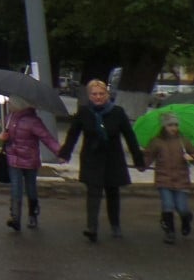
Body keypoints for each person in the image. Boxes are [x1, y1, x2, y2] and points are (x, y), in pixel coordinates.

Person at [58, 78, 146, 242]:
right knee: (93, 193)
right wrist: (65, 153)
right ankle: (92, 228)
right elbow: (73, 134)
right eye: (94, 94)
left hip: (113, 159)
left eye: (101, 93)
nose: (98, 97)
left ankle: (115, 224)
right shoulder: (84, 112)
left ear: (107, 94)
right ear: (89, 96)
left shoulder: (117, 112)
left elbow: (130, 137)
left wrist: (139, 160)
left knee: (112, 192)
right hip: (92, 158)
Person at [0, 97, 62, 231]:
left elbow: (47, 138)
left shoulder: (33, 121)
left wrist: (60, 153)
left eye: (12, 102)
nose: (9, 104)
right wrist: (3, 136)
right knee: (16, 187)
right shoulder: (10, 118)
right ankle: (15, 217)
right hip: (13, 158)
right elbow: (7, 136)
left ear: (19, 104)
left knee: (30, 188)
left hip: (30, 160)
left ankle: (33, 213)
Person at [143, 112, 194, 244]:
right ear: (164, 126)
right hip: (163, 179)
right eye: (170, 125)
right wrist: (142, 165)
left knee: (182, 207)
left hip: (181, 179)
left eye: (175, 125)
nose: (173, 128)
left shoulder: (183, 141)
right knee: (167, 205)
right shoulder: (156, 142)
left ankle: (186, 219)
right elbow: (148, 157)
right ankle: (170, 232)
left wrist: (192, 158)